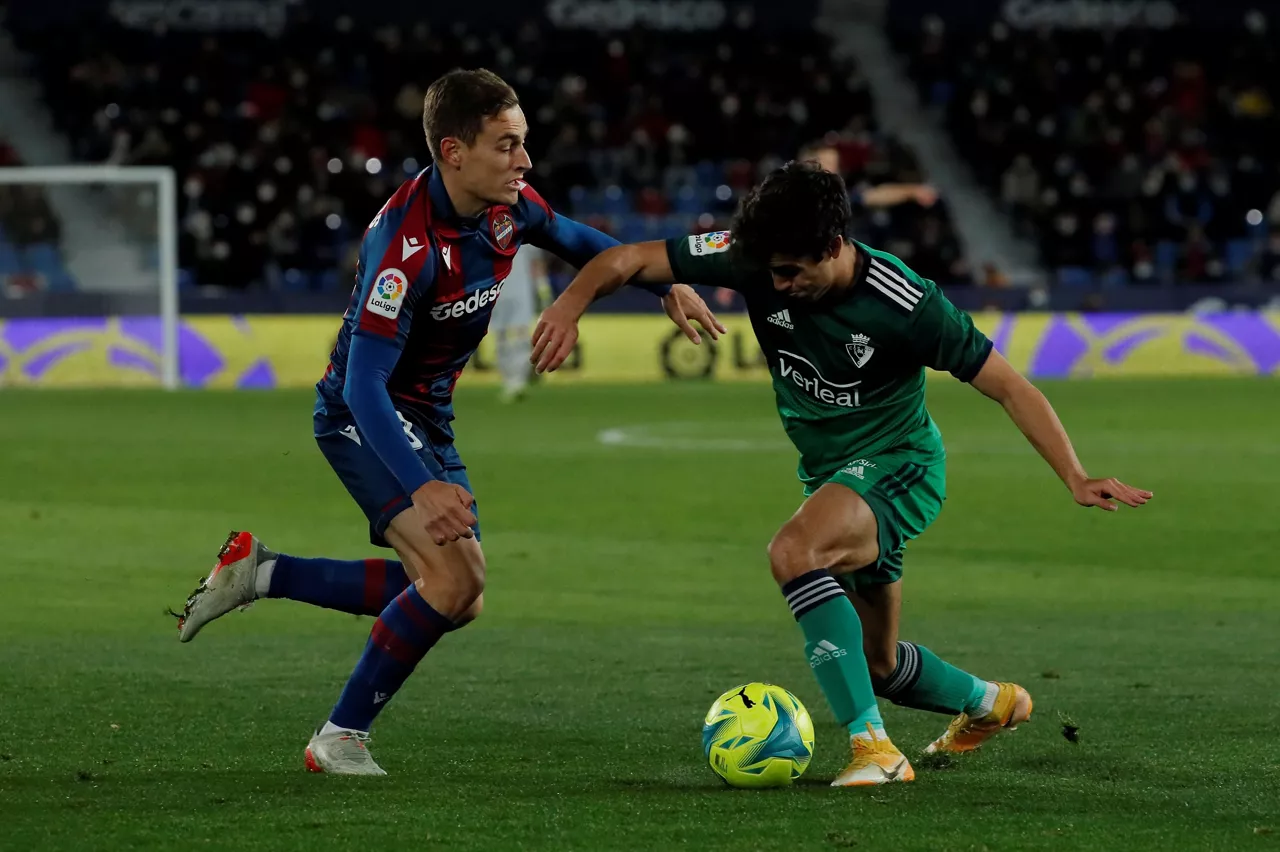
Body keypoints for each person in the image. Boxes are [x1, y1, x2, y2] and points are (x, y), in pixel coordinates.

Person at [168, 68, 723, 775]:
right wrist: (421, 487)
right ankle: (338, 736)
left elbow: (585, 242)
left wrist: (664, 282)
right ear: (454, 152)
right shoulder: (405, 249)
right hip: (361, 416)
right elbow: (364, 382)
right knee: (454, 582)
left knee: (458, 595)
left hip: (426, 414)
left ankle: (263, 573)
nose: (524, 162)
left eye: (524, 143)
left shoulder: (506, 209)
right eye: (507, 145)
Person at [531, 161, 1151, 787]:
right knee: (878, 665)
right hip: (832, 475)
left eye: (792, 271)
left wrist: (1073, 474)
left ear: (834, 246)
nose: (777, 284)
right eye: (770, 271)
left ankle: (873, 748)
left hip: (899, 467)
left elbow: (1012, 387)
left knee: (793, 552)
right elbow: (626, 260)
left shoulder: (906, 302)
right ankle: (995, 703)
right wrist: (567, 307)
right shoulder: (754, 256)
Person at [490, 243, 548, 401]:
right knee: (501, 338)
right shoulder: (485, 229)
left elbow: (536, 262)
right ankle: (508, 381)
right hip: (496, 290)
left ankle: (518, 381)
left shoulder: (526, 229)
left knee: (521, 336)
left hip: (521, 292)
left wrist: (542, 285)